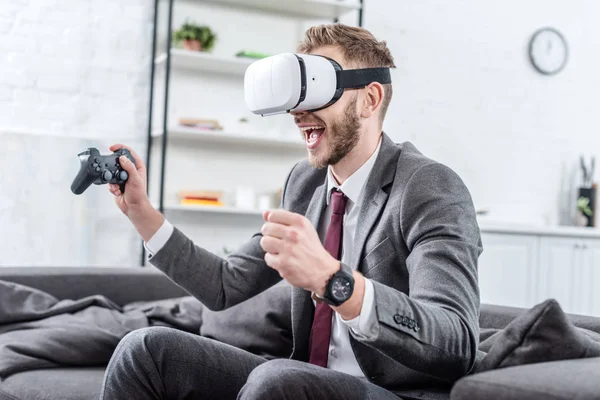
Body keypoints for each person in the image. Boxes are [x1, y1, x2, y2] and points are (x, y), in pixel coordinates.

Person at [100, 23, 483, 400]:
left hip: (390, 391)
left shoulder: (428, 185)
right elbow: (225, 284)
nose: (299, 111)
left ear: (370, 99)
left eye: (318, 89)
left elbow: (456, 340)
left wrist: (336, 282)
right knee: (146, 350)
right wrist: (140, 211)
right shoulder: (306, 182)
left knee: (278, 378)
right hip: (307, 380)